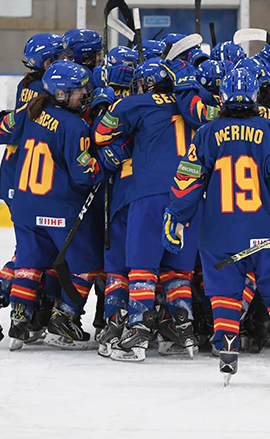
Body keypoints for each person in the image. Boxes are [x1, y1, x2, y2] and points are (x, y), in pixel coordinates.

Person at [162, 68, 270, 385]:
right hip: (269, 230)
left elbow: (187, 183)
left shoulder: (206, 133)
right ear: (254, 96)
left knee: (224, 292)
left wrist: (177, 215)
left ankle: (226, 342)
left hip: (219, 232)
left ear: (222, 97)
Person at [0, 33, 68, 348]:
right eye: (59, 56)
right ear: (47, 62)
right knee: (31, 250)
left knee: (39, 249)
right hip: (24, 180)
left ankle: (28, 314)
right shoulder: (44, 91)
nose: (65, 60)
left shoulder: (33, 85)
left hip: (21, 177)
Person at [93, 58, 201, 362]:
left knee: (142, 266)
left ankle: (137, 332)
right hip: (191, 195)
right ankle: (183, 330)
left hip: (149, 193)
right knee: (177, 271)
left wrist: (111, 116)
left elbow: (101, 134)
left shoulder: (135, 103)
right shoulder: (198, 102)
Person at [0, 60, 104, 350]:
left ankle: (19, 321)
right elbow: (83, 177)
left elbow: (1, 133)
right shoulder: (74, 126)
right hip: (59, 209)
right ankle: (63, 318)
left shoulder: (30, 112)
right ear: (61, 94)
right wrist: (103, 166)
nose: (85, 95)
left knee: (29, 263)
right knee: (87, 264)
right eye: (79, 91)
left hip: (26, 207)